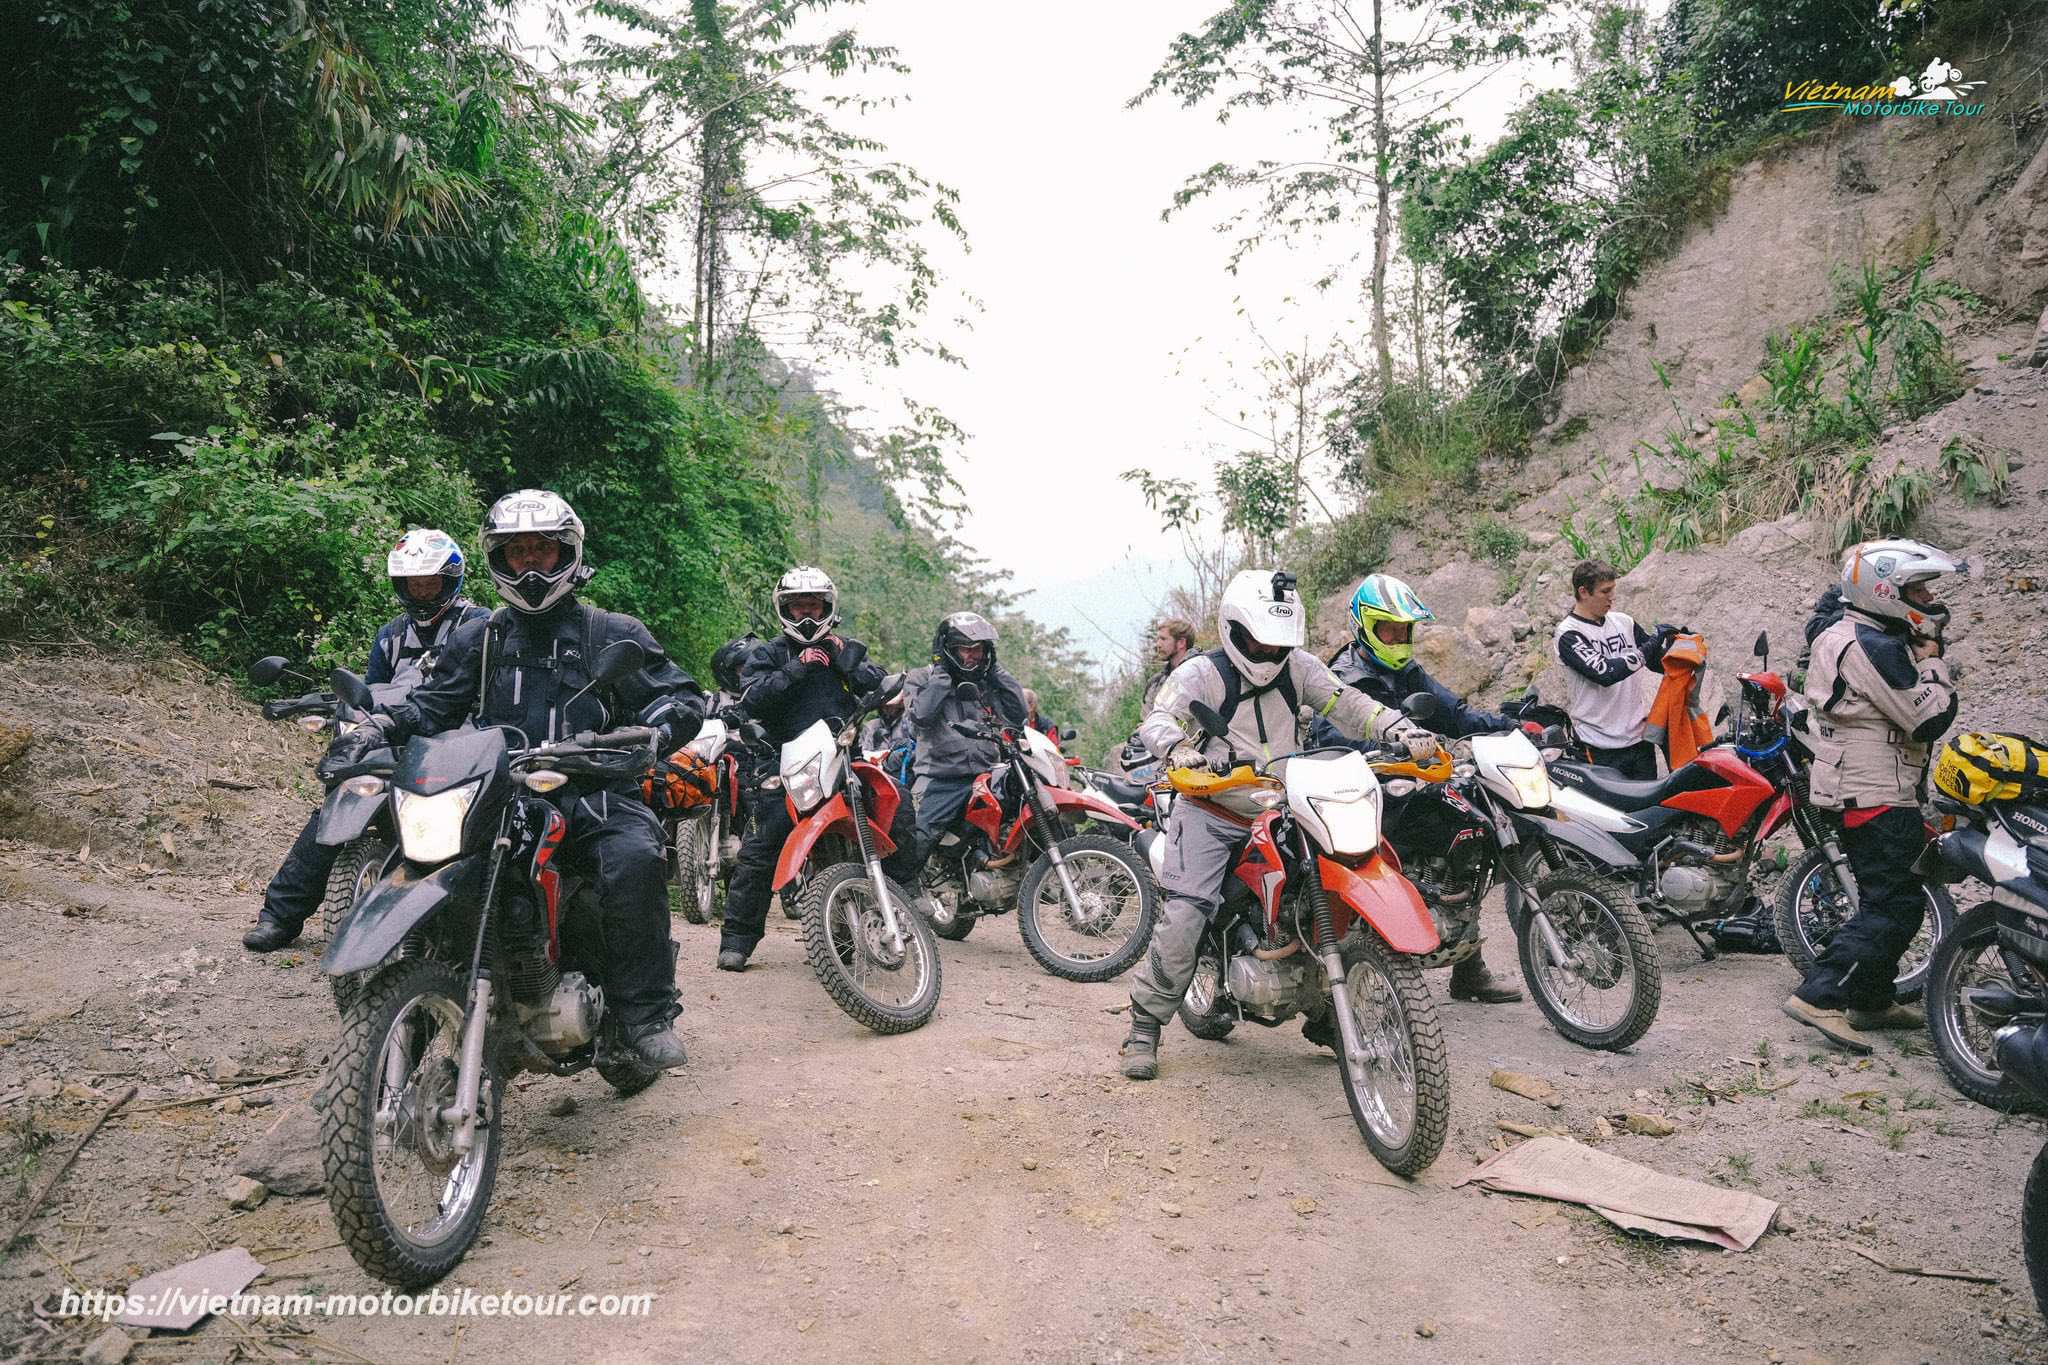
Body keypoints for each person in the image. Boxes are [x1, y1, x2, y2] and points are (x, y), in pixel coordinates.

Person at [313, 491, 703, 1071]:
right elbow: (433, 704)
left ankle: (643, 1013)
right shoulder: (482, 636)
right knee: (426, 856)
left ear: (566, 553)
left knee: (635, 858)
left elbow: (680, 696)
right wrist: (379, 725)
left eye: (542, 551)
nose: (530, 564)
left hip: (593, 790)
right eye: (517, 552)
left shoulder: (608, 630)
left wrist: (650, 732)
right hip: (500, 791)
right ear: (498, 560)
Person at [1119, 569, 1439, 1081]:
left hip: (1287, 801)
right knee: (1186, 913)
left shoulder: (1300, 668)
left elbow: (1349, 703)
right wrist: (1179, 748)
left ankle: (1325, 1010)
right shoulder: (1200, 674)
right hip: (1214, 808)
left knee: (1330, 887)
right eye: (1259, 642)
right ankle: (1145, 1025)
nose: (1269, 654)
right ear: (1234, 630)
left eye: (1279, 644)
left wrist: (1400, 728)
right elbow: (1159, 719)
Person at [242, 528, 490, 954]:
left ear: (451, 580)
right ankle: (279, 917)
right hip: (393, 734)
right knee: (336, 807)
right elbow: (374, 688)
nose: (423, 591)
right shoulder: (391, 635)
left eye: (430, 582)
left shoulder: (479, 626)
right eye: (414, 583)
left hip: (456, 744)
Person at [1309, 573, 1524, 1005]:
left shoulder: (1408, 671)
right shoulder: (1342, 676)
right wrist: (1383, 745)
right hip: (1364, 792)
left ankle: (1468, 967)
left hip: (1415, 783)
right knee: (1383, 869)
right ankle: (1374, 974)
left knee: (1473, 833)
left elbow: (1454, 714)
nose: (1397, 637)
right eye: (1389, 629)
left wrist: (1511, 725)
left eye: (1403, 629)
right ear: (1366, 627)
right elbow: (1325, 737)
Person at [1781, 539, 1960, 1054]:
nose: (1927, 596)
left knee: (1892, 896)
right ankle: (1821, 995)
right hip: (1875, 791)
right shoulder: (1873, 646)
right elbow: (1928, 717)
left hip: (1864, 786)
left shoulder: (1853, 631)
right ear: (1885, 590)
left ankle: (1872, 998)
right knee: (1895, 904)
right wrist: (1932, 665)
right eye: (1917, 587)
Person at [720, 567, 920, 972]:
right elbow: (753, 697)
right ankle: (738, 940)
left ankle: (905, 897)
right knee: (762, 846)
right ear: (784, 611)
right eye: (798, 608)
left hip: (844, 756)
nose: (806, 616)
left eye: (814, 606)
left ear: (828, 608)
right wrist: (801, 666)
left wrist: (846, 662)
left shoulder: (845, 649)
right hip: (783, 762)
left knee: (895, 808)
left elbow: (880, 687)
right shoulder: (770, 654)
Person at [903, 612, 1029, 881]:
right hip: (941, 777)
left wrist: (996, 672)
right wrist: (941, 674)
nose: (973, 656)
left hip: (986, 773)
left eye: (979, 650)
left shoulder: (986, 680)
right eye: (965, 650)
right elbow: (920, 717)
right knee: (919, 839)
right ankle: (903, 893)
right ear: (947, 649)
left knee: (1031, 802)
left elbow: (1018, 715)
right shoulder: (922, 678)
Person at [1554, 559, 1680, 781]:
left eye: (1613, 590)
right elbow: (1605, 673)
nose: (1612, 597)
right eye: (1605, 591)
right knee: (1609, 814)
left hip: (1639, 741)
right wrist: (1652, 642)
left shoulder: (1624, 622)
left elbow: (1657, 663)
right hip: (1599, 745)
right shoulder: (1568, 634)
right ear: (1583, 592)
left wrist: (1678, 649)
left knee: (1647, 811)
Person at [1141, 618, 1197, 711]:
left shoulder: (1202, 674)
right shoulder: (1155, 684)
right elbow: (1147, 718)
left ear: (1181, 643)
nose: (1158, 644)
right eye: (1158, 639)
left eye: (1163, 639)